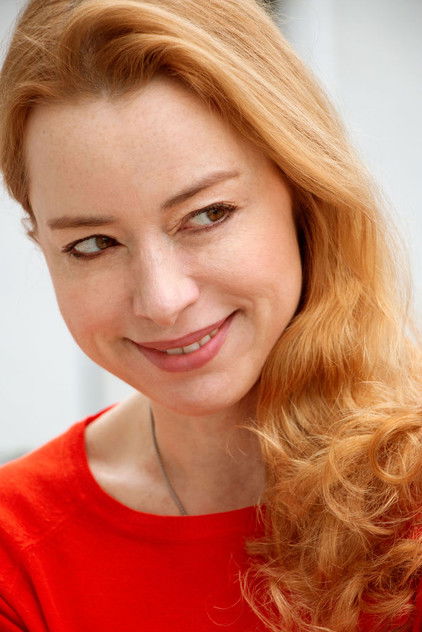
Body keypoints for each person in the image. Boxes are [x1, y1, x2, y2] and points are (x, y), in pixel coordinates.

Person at [0, 0, 420, 630]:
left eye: (207, 214)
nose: (162, 300)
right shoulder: (17, 548)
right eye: (93, 244)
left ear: (303, 194)